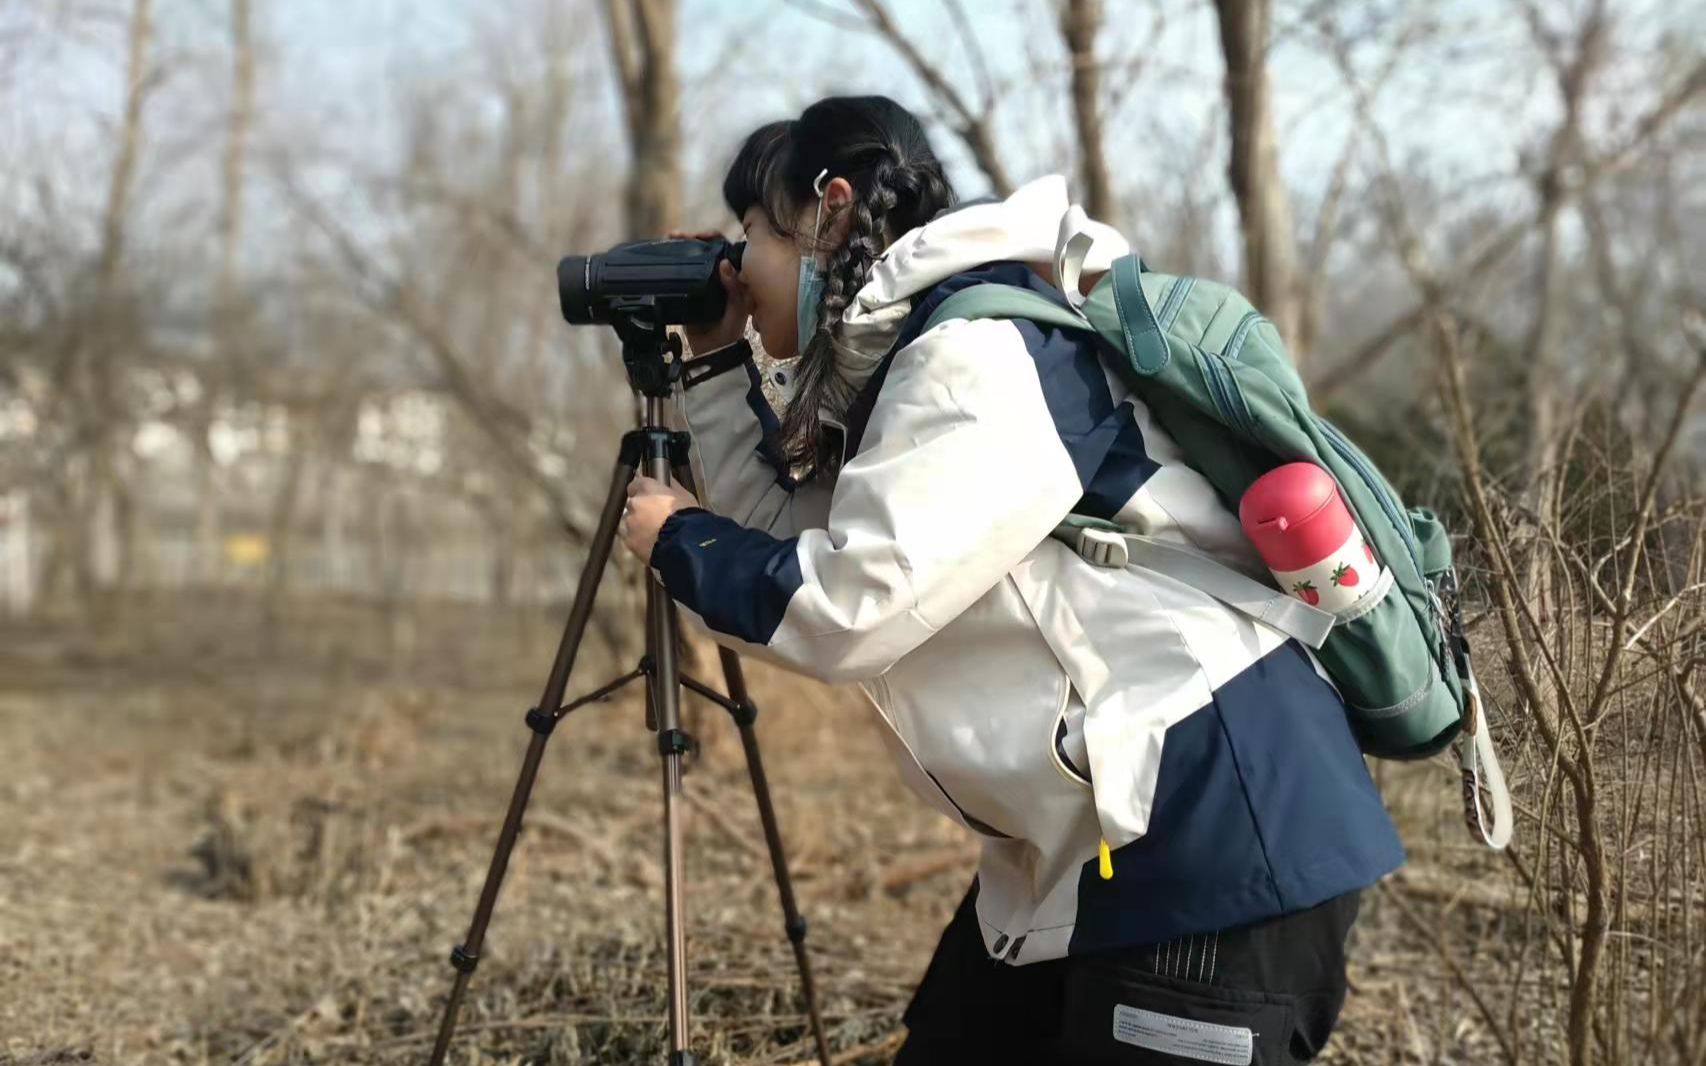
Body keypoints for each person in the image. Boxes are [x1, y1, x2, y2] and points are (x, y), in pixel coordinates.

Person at [616, 94, 1403, 1065]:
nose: (738, 266)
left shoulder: (974, 357)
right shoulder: (909, 364)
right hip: (1087, 843)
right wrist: (712, 361)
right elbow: (787, 546)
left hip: (1208, 833)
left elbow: (844, 606)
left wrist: (679, 538)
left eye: (753, 236)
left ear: (826, 208)